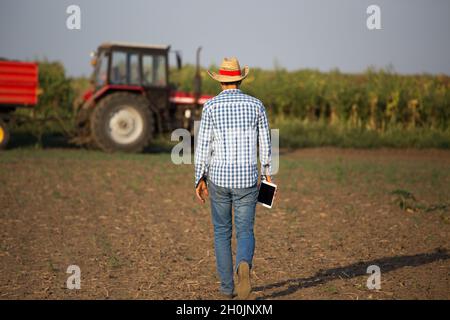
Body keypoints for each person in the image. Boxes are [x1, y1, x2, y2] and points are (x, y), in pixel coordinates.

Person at [194, 57, 273, 299]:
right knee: (245, 231)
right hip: (248, 179)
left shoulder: (210, 107)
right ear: (240, 79)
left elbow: (203, 145)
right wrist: (267, 173)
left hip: (218, 178)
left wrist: (199, 177)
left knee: (221, 232)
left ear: (220, 82)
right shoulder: (256, 105)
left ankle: (227, 289)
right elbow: (266, 144)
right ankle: (244, 265)